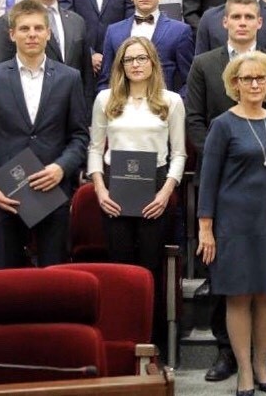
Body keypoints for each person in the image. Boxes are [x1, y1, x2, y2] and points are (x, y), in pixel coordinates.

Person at [186, 0, 266, 385]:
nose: (255, 83)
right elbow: (209, 178)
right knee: (237, 296)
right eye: (247, 78)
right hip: (233, 222)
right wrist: (206, 227)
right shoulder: (222, 124)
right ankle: (244, 370)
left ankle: (262, 364)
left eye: (261, 78)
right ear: (234, 83)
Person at [0, 0, 90, 268]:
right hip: (6, 194)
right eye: (24, 29)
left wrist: (61, 168)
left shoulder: (69, 77)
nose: (32, 34)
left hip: (53, 191)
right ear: (12, 34)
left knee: (54, 278)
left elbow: (79, 136)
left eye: (38, 28)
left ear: (48, 33)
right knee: (8, 279)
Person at [88, 36, 186, 350]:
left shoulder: (171, 101)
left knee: (150, 269)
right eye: (129, 59)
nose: (136, 64)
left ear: (153, 62)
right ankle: (122, 342)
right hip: (114, 187)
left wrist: (166, 192)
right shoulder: (105, 99)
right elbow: (94, 149)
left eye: (142, 58)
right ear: (121, 65)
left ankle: (151, 345)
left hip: (155, 186)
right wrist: (100, 189)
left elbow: (179, 154)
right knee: (121, 269)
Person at [0, 0, 95, 111]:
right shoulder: (8, 21)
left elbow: (86, 75)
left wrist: (86, 113)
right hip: (28, 111)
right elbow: (1, 74)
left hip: (72, 111)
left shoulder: (76, 21)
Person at [100, 0, 194, 94]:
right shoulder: (113, 32)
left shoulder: (180, 31)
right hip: (123, 104)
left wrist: (173, 104)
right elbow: (106, 80)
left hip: (164, 104)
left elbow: (189, 81)